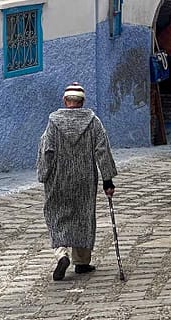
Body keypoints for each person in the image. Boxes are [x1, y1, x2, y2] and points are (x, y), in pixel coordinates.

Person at [37, 82, 118, 281]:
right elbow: (102, 150)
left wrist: (43, 174)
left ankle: (61, 254)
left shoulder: (54, 122)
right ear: (82, 102)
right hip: (84, 178)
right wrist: (107, 180)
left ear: (65, 101)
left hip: (59, 178)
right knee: (84, 216)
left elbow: (47, 150)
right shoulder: (93, 122)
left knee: (56, 215)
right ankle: (81, 262)